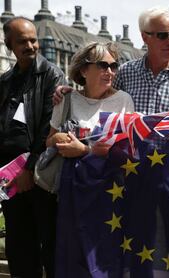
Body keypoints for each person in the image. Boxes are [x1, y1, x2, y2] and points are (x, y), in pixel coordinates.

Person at [54, 6, 169, 127]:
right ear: (144, 37)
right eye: (162, 35)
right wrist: (72, 93)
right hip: (131, 164)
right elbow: (98, 97)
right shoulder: (125, 72)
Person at [0, 17, 66, 277]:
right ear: (9, 45)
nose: (30, 45)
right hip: (9, 176)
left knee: (49, 242)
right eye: (22, 41)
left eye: (33, 39)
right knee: (18, 244)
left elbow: (49, 126)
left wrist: (29, 169)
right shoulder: (5, 81)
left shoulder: (52, 74)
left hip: (39, 173)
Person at [46, 41, 134, 158]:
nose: (109, 72)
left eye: (113, 66)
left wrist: (85, 150)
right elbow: (48, 141)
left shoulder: (124, 101)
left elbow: (127, 151)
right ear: (83, 71)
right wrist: (57, 139)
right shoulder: (65, 99)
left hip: (107, 175)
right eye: (102, 65)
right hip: (69, 175)